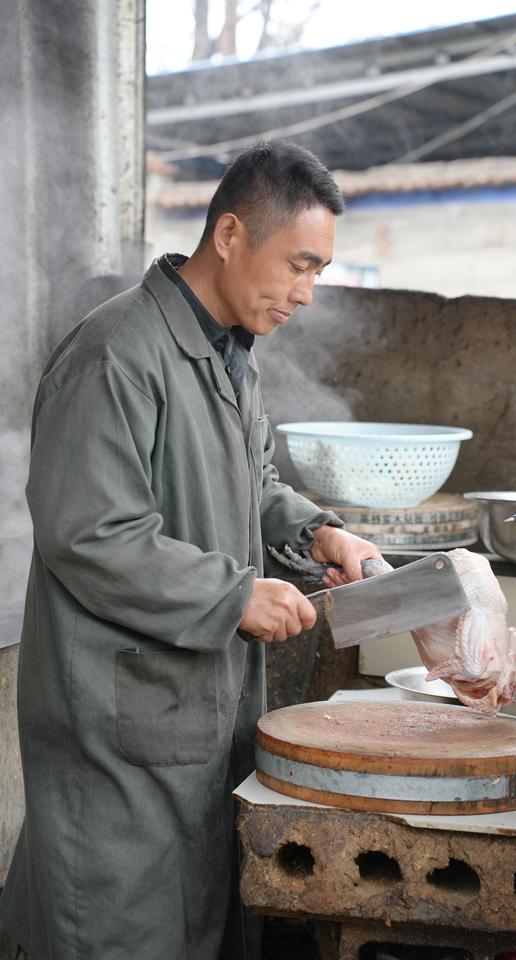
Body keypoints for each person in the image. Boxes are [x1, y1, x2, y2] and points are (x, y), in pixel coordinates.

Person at [0, 140, 384, 960]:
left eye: (319, 272)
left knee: (198, 923)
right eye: (300, 266)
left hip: (190, 713)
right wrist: (233, 596)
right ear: (232, 235)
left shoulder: (229, 355)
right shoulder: (116, 355)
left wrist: (316, 530)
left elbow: (251, 481)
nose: (307, 294)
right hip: (116, 729)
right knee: (117, 928)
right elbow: (91, 532)